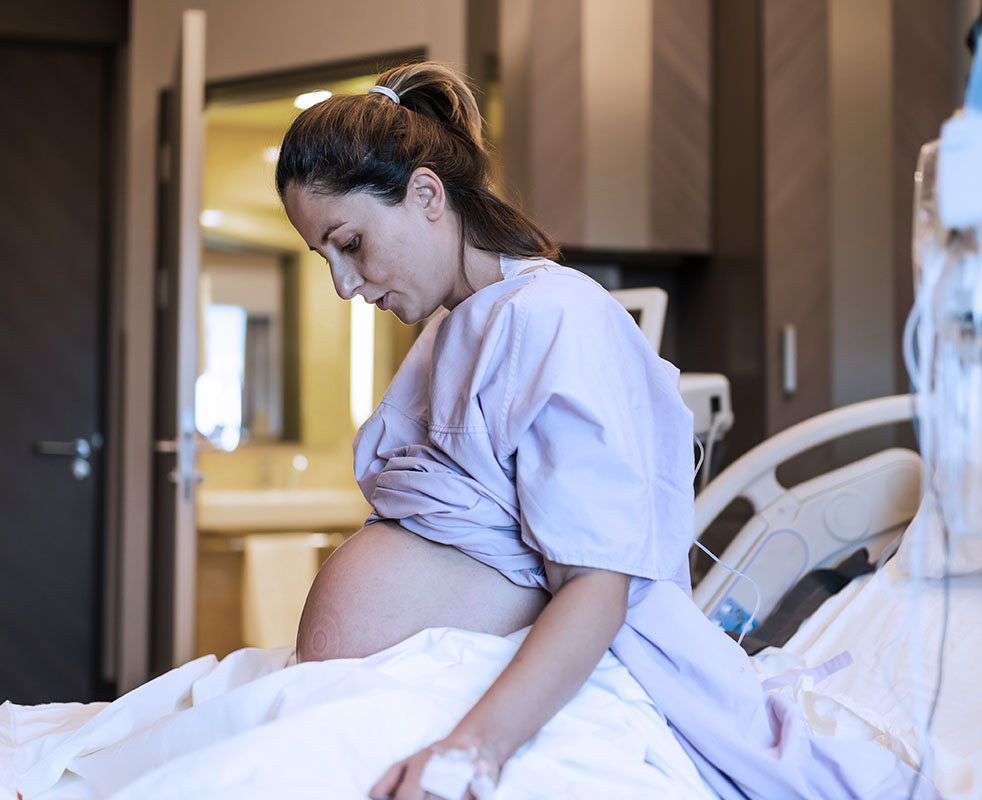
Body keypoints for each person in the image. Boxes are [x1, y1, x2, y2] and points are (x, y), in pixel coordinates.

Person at [276, 60, 933, 800]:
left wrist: (474, 749)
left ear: (426, 193)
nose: (341, 282)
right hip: (407, 677)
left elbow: (595, 587)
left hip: (493, 695)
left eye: (350, 244)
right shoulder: (451, 332)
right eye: (322, 256)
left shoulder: (552, 318)